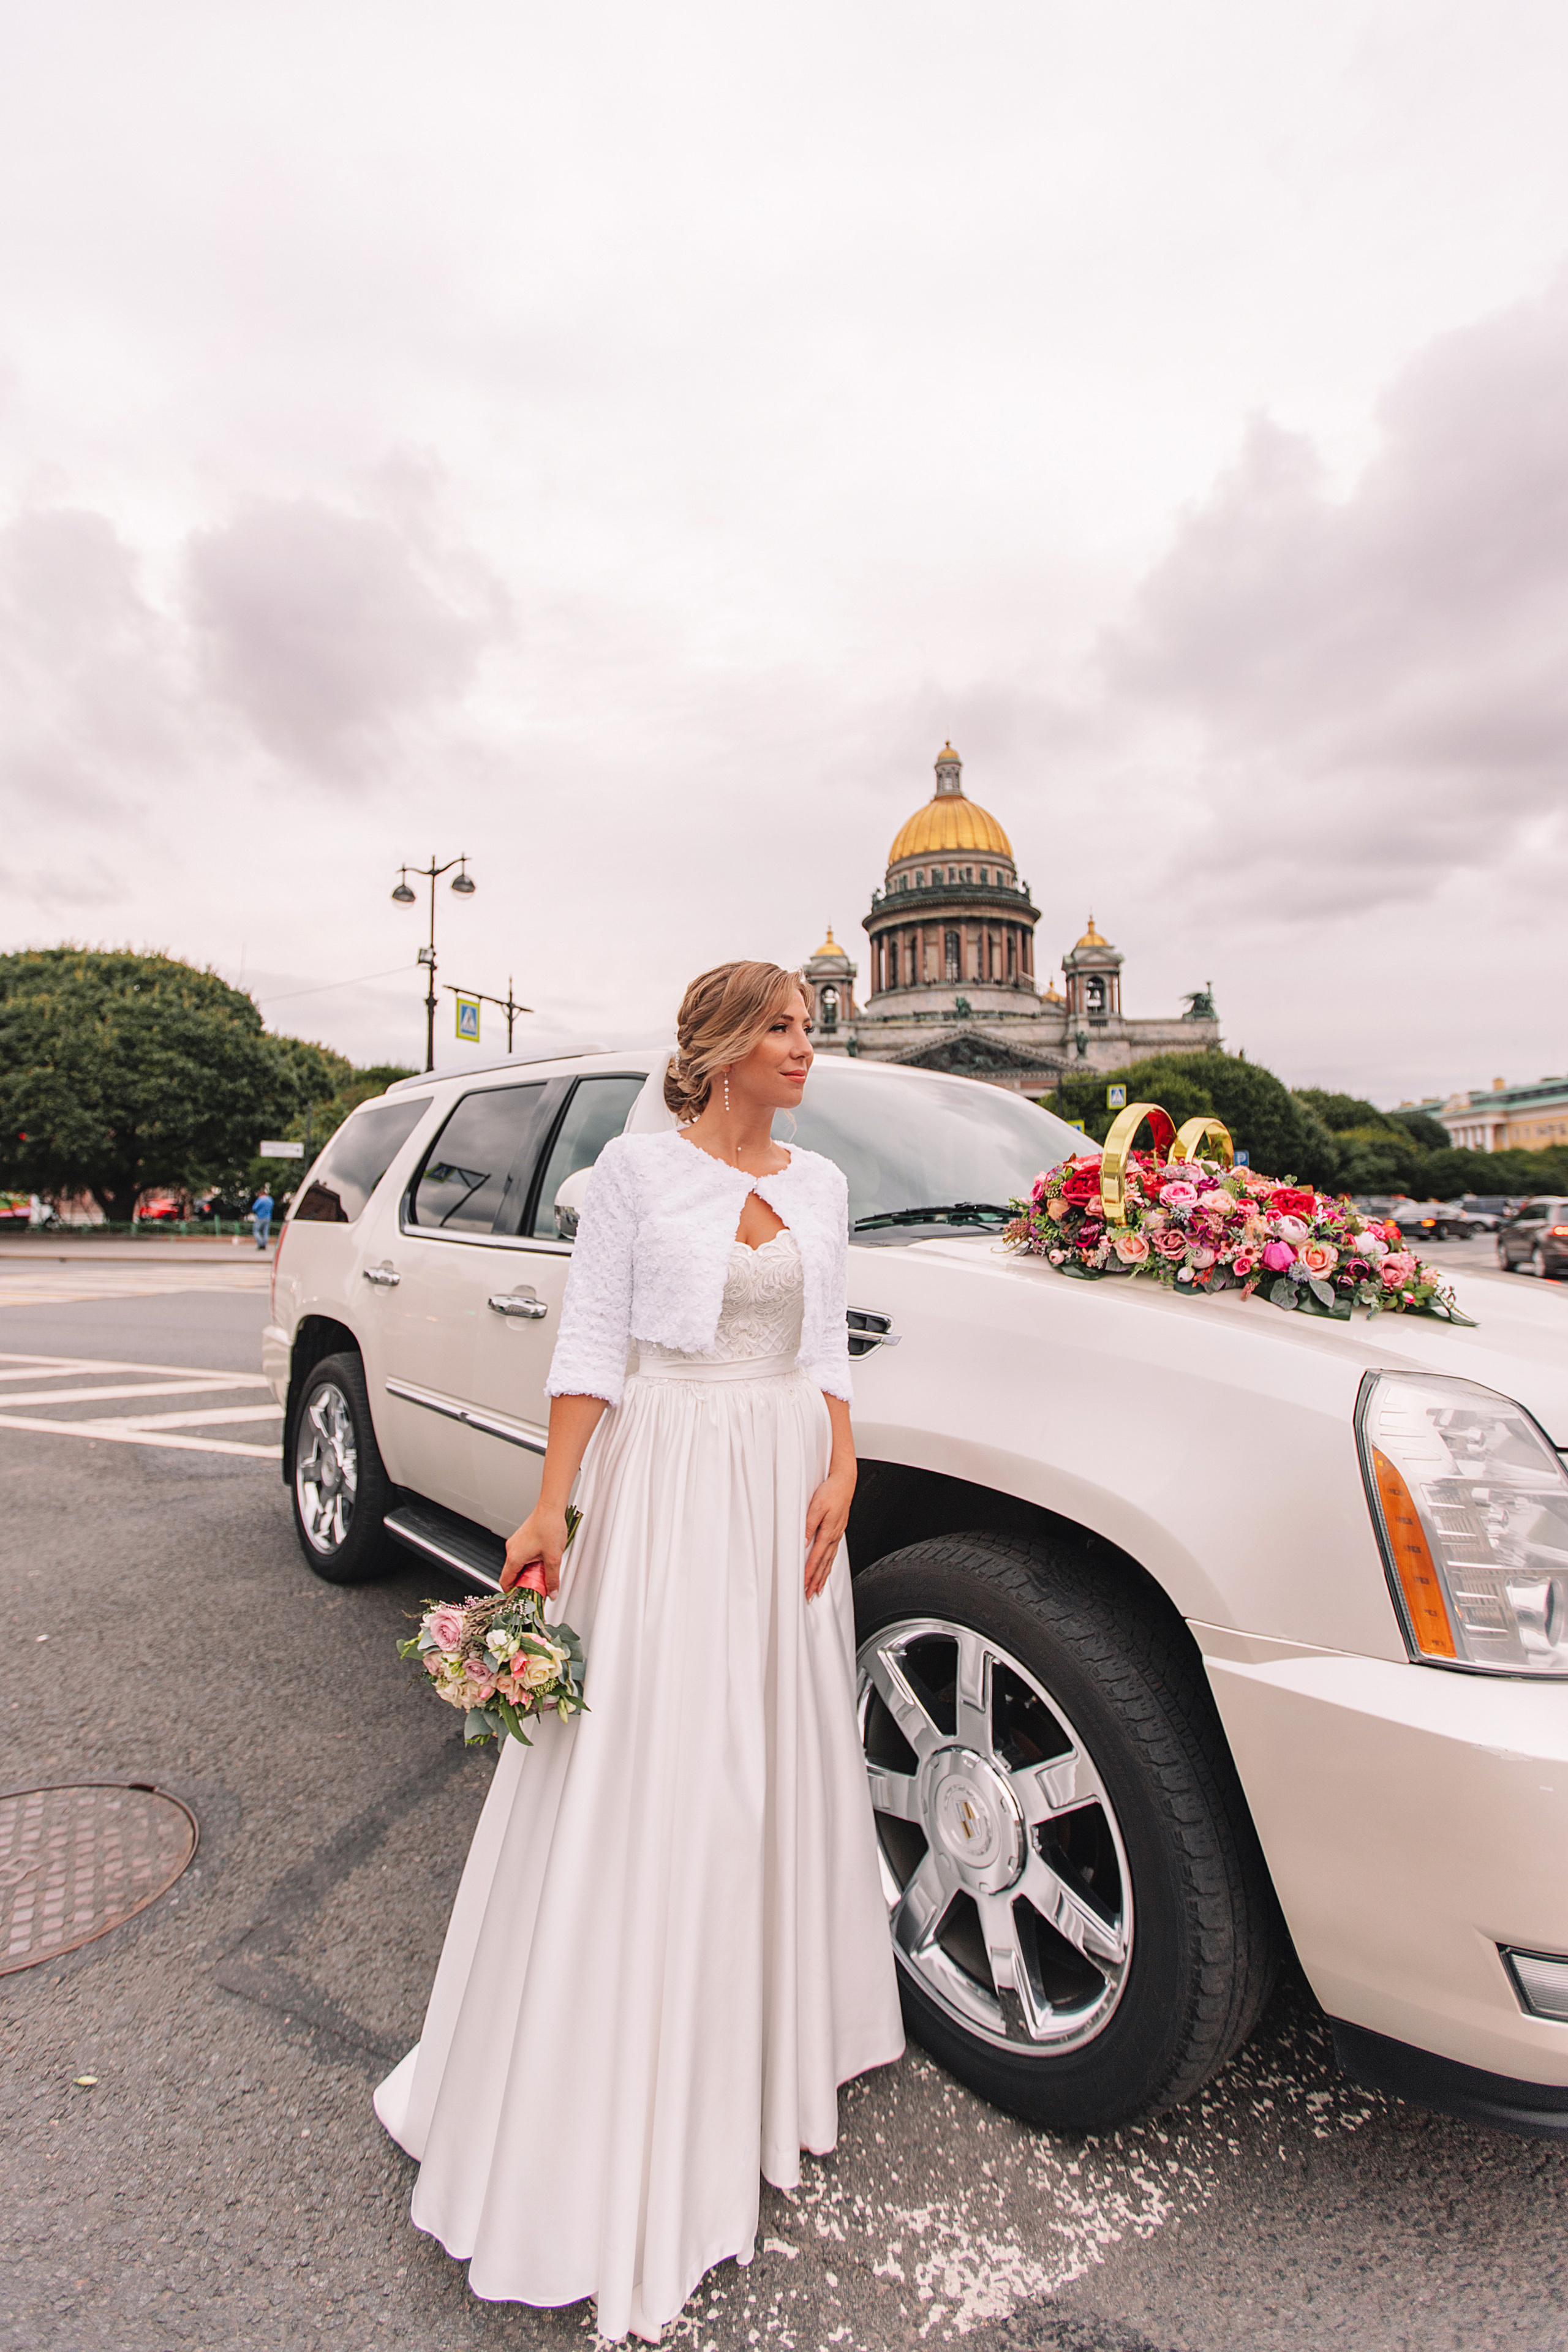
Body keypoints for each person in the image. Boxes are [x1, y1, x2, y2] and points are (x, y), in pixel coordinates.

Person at [375, 960, 903, 2341]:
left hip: (784, 1473)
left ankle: (764, 2046)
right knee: (665, 1769)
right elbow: (592, 1343)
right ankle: (626, 2065)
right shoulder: (631, 1175)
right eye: (784, 1028)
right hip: (668, 1479)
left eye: (806, 1025)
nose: (807, 1047)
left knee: (769, 1765)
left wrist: (842, 1458)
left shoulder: (823, 1186)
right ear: (723, 1047)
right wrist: (549, 1500)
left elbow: (827, 1341)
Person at [250, 1185, 273, 1250]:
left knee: (256, 1230)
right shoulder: (270, 1200)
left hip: (260, 1217)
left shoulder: (260, 1200)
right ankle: (265, 1244)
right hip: (268, 1217)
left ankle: (261, 1244)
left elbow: (254, 1208)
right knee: (266, 1232)